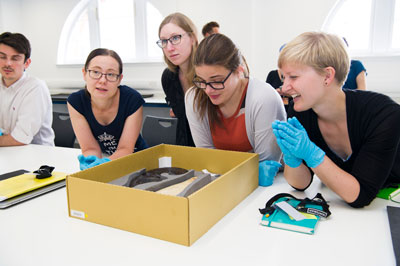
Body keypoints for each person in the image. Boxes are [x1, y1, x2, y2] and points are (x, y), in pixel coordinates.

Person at [272, 32, 400, 208]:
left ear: (327, 76)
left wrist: (311, 154)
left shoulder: (383, 114)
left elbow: (360, 196)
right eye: (283, 78)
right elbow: (300, 184)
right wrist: (292, 156)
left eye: (293, 77)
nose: (285, 87)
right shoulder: (302, 110)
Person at [185, 34, 285, 170]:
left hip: (270, 184)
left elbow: (266, 165)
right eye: (201, 81)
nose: (208, 90)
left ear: (239, 71)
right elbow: (207, 158)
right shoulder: (194, 98)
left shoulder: (264, 98)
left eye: (216, 81)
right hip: (225, 179)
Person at [67, 48, 147, 170]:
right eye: (95, 72)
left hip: (137, 161)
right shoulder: (76, 102)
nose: (102, 80)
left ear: (119, 79)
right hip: (107, 160)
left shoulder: (132, 99)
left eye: (110, 74)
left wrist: (103, 164)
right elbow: (90, 148)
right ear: (84, 73)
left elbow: (125, 149)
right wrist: (93, 165)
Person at [0, 32, 54, 147]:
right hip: (6, 152)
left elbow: (20, 138)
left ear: (27, 63)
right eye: (2, 57)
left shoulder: (35, 87)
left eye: (15, 58)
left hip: (37, 156)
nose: (7, 63)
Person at [157, 12, 198, 147]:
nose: (169, 48)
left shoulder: (207, 74)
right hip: (185, 149)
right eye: (164, 41)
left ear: (192, 38)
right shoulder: (169, 77)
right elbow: (182, 126)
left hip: (216, 151)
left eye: (175, 38)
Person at [266, 44, 291, 111]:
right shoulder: (272, 74)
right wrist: (275, 93)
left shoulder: (295, 75)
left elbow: (302, 94)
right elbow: (266, 96)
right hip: (275, 110)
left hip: (292, 111)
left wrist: (289, 94)